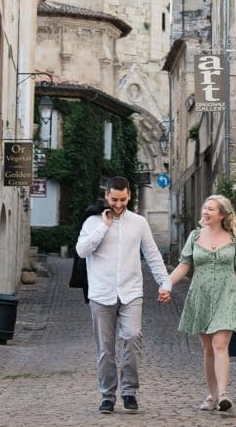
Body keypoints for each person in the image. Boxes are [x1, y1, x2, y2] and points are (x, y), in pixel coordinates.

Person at [76, 176, 172, 414]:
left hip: (131, 292)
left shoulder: (139, 223)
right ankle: (107, 395)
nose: (118, 204)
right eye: (114, 199)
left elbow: (152, 254)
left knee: (131, 337)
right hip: (101, 293)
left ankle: (129, 391)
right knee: (105, 348)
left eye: (122, 199)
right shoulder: (92, 221)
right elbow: (81, 251)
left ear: (129, 195)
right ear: (106, 195)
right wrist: (103, 227)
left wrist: (165, 283)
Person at [160, 194, 236, 412]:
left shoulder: (233, 239)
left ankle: (223, 395)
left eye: (211, 209)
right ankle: (211, 395)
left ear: (221, 214)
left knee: (220, 345)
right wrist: (167, 285)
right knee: (207, 349)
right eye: (205, 208)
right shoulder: (195, 236)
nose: (205, 212)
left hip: (227, 295)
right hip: (201, 295)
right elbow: (184, 266)